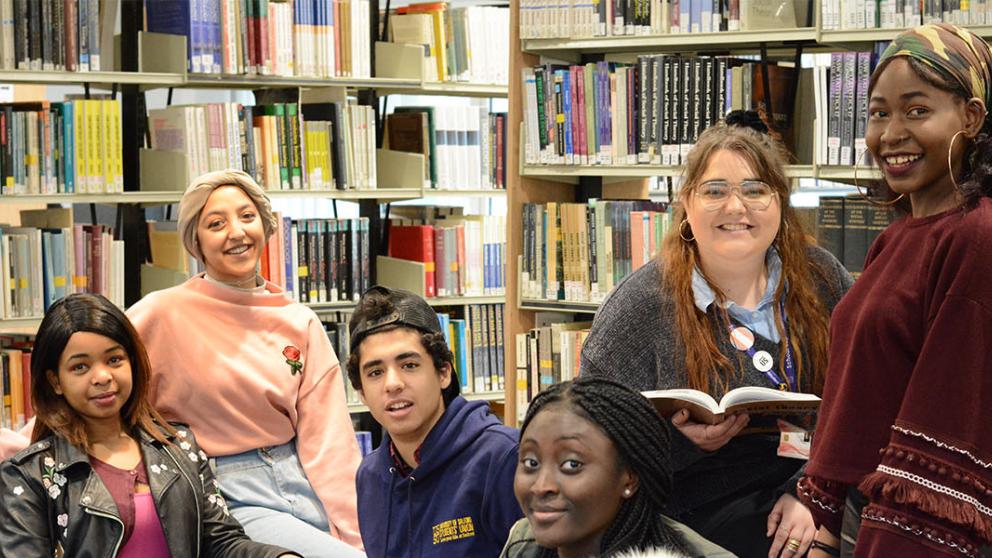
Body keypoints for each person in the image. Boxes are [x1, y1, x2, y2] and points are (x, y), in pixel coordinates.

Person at [580, 122, 854, 557]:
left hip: (817, 480)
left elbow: (864, 399)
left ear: (780, 201)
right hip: (695, 505)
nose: (735, 206)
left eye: (755, 189)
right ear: (686, 204)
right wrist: (681, 444)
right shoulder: (639, 306)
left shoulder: (823, 277)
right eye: (714, 191)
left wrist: (811, 493)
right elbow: (591, 442)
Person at [798, 23, 992, 558]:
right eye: (879, 113)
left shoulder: (976, 236)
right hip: (867, 514)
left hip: (919, 532)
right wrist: (822, 514)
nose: (891, 134)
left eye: (917, 110)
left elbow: (949, 411)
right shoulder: (896, 236)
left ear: (971, 118)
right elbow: (858, 391)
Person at [125, 170, 364, 557]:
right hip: (222, 492)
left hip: (301, 482)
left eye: (247, 216)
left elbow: (330, 443)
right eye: (216, 224)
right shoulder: (159, 314)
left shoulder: (299, 320)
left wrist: (358, 534)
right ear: (196, 241)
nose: (236, 232)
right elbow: (95, 383)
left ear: (265, 226)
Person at [0, 293, 298, 558]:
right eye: (80, 367)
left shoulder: (179, 446)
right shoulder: (28, 476)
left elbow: (221, 543)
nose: (102, 377)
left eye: (114, 359)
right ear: (55, 381)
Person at [347, 285, 522, 557]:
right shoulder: (370, 477)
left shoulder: (504, 458)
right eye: (375, 372)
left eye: (409, 365)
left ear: (443, 373)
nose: (392, 384)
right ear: (361, 393)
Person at [501, 376, 735, 558]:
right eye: (531, 463)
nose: (541, 486)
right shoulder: (523, 545)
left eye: (572, 465)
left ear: (630, 478)